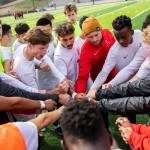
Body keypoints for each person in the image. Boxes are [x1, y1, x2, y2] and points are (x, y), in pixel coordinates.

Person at [88, 15, 144, 95]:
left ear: (131, 32)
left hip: (144, 78)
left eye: (123, 37)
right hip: (126, 87)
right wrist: (92, 90)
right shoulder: (114, 51)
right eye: (117, 38)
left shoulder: (140, 35)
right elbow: (104, 73)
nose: (120, 41)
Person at [75, 17, 116, 97]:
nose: (94, 39)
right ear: (85, 36)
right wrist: (79, 94)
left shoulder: (107, 33)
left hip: (116, 74)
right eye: (90, 37)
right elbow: (83, 77)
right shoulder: (85, 50)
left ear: (101, 30)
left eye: (96, 35)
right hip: (100, 82)